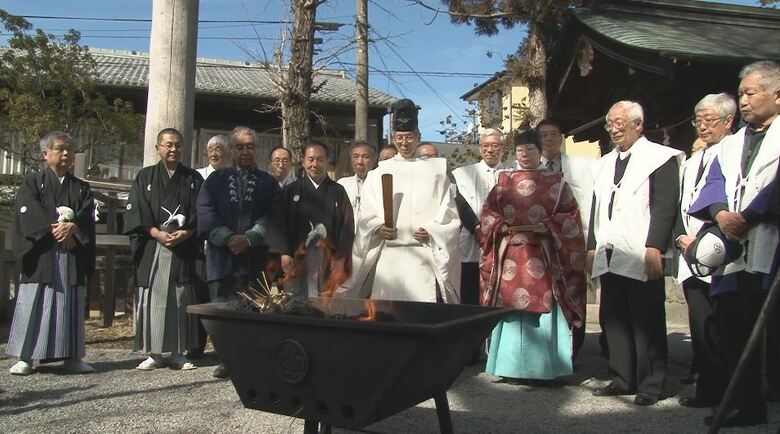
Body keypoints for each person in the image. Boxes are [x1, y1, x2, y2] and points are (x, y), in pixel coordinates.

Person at [687, 60, 779, 427]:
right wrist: (722, 213)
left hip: (771, 242)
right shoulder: (731, 144)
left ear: (777, 95)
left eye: (750, 93)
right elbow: (714, 183)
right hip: (735, 249)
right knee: (733, 332)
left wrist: (751, 215)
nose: (742, 101)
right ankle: (745, 404)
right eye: (740, 94)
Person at [587, 101, 683, 406]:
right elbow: (596, 208)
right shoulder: (604, 163)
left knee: (646, 320)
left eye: (620, 122)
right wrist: (591, 246)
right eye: (610, 124)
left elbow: (665, 205)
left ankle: (652, 383)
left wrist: (655, 247)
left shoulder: (660, 158)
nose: (613, 129)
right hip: (610, 249)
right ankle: (623, 377)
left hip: (641, 249)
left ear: (638, 124)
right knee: (613, 317)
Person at [478, 130, 586, 384]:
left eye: (530, 149)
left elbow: (570, 217)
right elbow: (488, 214)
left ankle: (547, 368)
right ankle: (509, 366)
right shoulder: (503, 182)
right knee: (510, 306)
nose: (525, 154)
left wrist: (549, 227)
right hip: (511, 253)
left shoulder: (557, 183)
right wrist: (500, 226)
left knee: (545, 306)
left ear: (540, 152)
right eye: (520, 150)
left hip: (544, 254)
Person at [351, 98, 460, 302]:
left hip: (423, 255)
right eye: (399, 138)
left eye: (409, 137)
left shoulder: (436, 171)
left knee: (421, 311)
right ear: (393, 137)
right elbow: (365, 213)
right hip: (389, 257)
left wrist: (433, 230)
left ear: (418, 136)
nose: (404, 143)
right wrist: (378, 228)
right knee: (387, 312)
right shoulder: (379, 172)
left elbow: (449, 213)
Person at [6, 132, 96, 376]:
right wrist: (57, 229)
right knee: (35, 302)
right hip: (41, 252)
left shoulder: (81, 187)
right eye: (60, 149)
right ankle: (26, 357)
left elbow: (87, 217)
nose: (66, 153)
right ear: (45, 154)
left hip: (71, 255)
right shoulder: (32, 182)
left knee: (69, 304)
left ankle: (72, 356)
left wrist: (73, 227)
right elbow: (28, 212)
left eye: (69, 149)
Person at [197, 126, 279, 378]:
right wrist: (227, 238)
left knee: (254, 311)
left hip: (254, 260)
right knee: (222, 311)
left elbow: (273, 215)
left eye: (250, 147)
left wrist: (251, 238)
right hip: (221, 259)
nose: (245, 151)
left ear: (257, 149)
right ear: (232, 150)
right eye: (240, 147)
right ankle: (225, 359)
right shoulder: (215, 180)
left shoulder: (268, 182)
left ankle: (250, 360)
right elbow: (205, 212)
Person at [673, 93, 736, 408]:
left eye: (709, 120)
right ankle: (708, 388)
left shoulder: (734, 150)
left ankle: (728, 390)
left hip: (722, 251)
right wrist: (681, 238)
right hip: (690, 251)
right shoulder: (693, 159)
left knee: (724, 326)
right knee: (700, 324)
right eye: (698, 121)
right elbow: (681, 204)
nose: (702, 126)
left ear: (728, 121)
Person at [125, 128, 203, 372]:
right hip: (153, 245)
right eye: (168, 145)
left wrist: (187, 232)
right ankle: (154, 353)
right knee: (153, 299)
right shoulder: (145, 177)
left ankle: (179, 353)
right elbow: (137, 211)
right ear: (157, 148)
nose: (173, 149)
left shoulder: (193, 179)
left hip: (183, 247)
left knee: (180, 298)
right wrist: (156, 232)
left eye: (178, 145)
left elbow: (202, 212)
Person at [268, 141, 354, 296]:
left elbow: (346, 227)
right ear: (303, 161)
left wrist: (340, 259)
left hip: (329, 260)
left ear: (328, 161)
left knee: (325, 303)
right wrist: (284, 253)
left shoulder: (338, 191)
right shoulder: (291, 190)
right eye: (311, 159)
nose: (315, 164)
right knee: (296, 303)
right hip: (297, 259)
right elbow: (279, 224)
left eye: (320, 160)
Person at [452, 128, 507, 307]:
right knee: (470, 297)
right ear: (480, 148)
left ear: (503, 148)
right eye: (485, 145)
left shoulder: (512, 173)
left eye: (495, 145)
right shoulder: (462, 173)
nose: (490, 150)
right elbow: (459, 204)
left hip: (503, 241)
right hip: (471, 243)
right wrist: (476, 228)